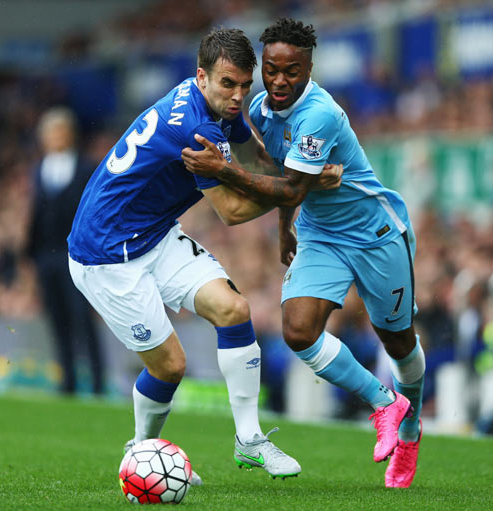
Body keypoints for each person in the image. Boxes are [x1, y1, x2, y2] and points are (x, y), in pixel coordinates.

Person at [67, 28, 341, 483]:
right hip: (106, 254)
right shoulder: (192, 127)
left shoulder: (214, 106)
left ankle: (250, 441)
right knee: (171, 366)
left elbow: (261, 167)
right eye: (227, 84)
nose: (237, 97)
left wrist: (298, 175)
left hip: (151, 234)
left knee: (234, 310)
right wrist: (303, 185)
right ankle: (140, 452)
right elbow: (232, 211)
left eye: (244, 86)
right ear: (201, 76)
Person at [181, 18, 425, 488]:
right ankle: (385, 403)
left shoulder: (320, 114)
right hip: (320, 233)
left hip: (375, 234)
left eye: (291, 71)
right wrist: (284, 229)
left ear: (309, 68)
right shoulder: (261, 108)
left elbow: (290, 185)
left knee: (397, 340)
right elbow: (281, 179)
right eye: (271, 69)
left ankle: (411, 426)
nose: (279, 81)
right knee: (297, 329)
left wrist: (223, 171)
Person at [28, 107, 105, 395]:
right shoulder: (38, 169)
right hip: (46, 255)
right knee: (57, 319)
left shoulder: (86, 168)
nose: (56, 137)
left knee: (82, 318)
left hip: (78, 254)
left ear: (70, 135)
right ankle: (67, 382)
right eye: (51, 133)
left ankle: (97, 383)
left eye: (60, 131)